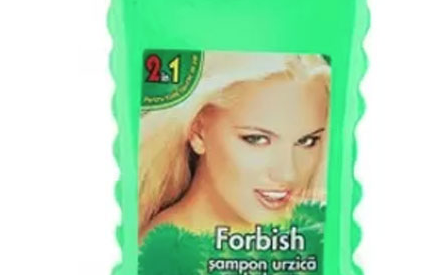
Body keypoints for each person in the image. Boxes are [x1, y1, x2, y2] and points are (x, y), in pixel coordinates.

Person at [138, 52, 329, 240]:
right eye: (256, 139)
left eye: (307, 141)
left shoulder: (303, 237)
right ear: (198, 132)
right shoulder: (160, 250)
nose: (288, 174)